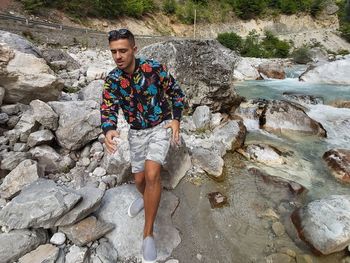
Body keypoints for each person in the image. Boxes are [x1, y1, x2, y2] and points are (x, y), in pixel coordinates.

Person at [100, 29, 185, 263]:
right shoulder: (112, 79)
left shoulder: (154, 69)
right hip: (136, 133)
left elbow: (176, 93)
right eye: (114, 51)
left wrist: (176, 119)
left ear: (134, 49)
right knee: (139, 180)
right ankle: (144, 197)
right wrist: (108, 129)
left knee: (152, 173)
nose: (118, 56)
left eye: (123, 50)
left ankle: (148, 234)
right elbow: (108, 108)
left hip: (160, 128)